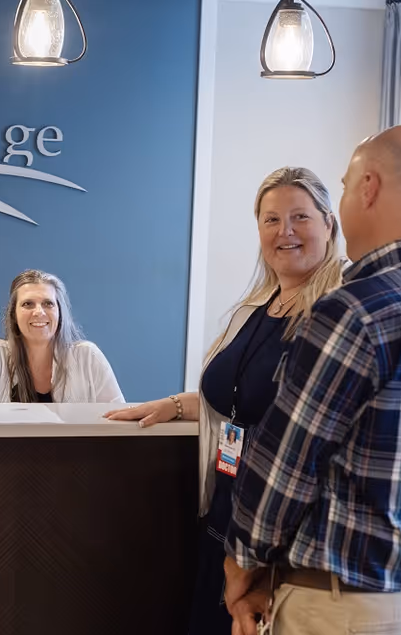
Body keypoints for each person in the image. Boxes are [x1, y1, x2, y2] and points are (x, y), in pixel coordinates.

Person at [223, 126, 401, 635]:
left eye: (343, 187)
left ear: (368, 188)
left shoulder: (354, 310)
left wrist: (241, 566)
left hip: (343, 607)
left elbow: (286, 465)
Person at [105, 166, 342, 634]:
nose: (285, 232)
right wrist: (175, 405)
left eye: (301, 217)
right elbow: (240, 398)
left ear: (329, 224)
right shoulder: (257, 307)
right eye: (271, 219)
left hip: (283, 536)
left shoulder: (336, 314)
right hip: (228, 510)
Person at [0, 269, 124, 403]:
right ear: (14, 315)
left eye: (48, 304)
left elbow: (118, 421)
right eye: (28, 304)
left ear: (60, 313)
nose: (39, 312)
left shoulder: (88, 357)